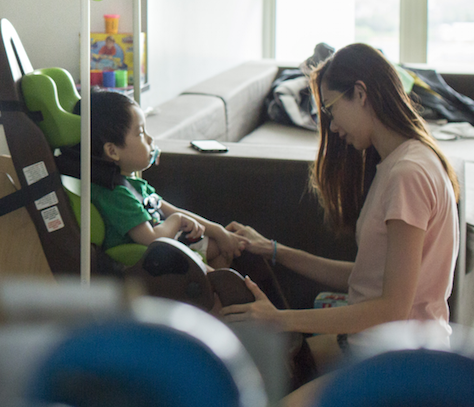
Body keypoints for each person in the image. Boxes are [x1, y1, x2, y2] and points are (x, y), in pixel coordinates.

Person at [221, 43, 460, 403]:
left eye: (331, 109)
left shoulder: (407, 174)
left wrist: (281, 319)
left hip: (397, 357)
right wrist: (273, 250)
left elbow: (392, 307)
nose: (332, 126)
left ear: (360, 94)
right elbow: (366, 277)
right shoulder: (400, 161)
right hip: (377, 342)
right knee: (258, 371)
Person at [76, 89, 248, 270]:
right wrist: (177, 219)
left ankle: (215, 291)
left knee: (220, 247)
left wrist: (219, 232)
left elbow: (170, 209)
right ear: (113, 151)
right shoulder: (115, 195)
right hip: (149, 265)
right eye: (141, 133)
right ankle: (215, 293)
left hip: (169, 249)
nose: (150, 139)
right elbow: (152, 239)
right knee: (221, 273)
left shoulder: (133, 185)